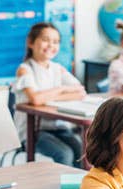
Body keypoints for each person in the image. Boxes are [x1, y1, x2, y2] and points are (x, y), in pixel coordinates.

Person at [12, 22, 86, 167]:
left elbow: (80, 91)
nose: (51, 45)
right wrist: (61, 89)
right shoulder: (24, 69)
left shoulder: (57, 68)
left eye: (56, 42)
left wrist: (48, 96)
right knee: (64, 154)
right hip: (32, 131)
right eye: (46, 40)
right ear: (30, 42)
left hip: (58, 128)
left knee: (82, 152)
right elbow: (36, 99)